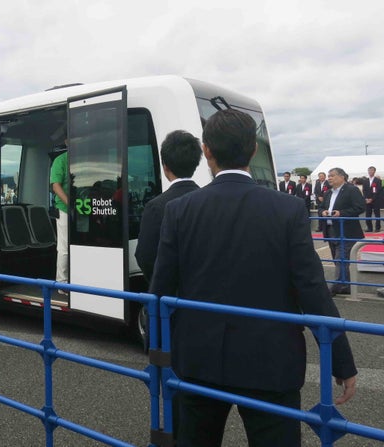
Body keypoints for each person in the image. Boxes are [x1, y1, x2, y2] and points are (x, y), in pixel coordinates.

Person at [150, 109, 357, 447]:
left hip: (198, 360)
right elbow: (313, 290)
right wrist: (341, 360)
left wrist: (157, 355)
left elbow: (160, 291)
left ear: (207, 151)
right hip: (270, 363)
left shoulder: (180, 210)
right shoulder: (288, 208)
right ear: (253, 151)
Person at [135, 130, 201, 282]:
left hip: (170, 296)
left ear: (165, 166)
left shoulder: (155, 207)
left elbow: (144, 256)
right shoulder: (209, 201)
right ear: (195, 163)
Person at [319, 167, 366, 296]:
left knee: (341, 259)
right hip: (330, 230)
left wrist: (341, 213)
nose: (329, 178)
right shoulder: (328, 193)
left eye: (332, 175)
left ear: (342, 177)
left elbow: (360, 207)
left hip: (347, 230)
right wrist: (322, 212)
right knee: (337, 259)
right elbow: (321, 207)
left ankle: (336, 287)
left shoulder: (352, 190)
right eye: (328, 176)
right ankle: (345, 285)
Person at [50, 149, 69, 294]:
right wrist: (71, 204)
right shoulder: (61, 160)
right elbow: (56, 186)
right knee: (64, 247)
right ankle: (61, 283)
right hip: (64, 209)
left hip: (82, 210)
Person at [363, 166, 382, 232]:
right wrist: (366, 198)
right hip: (367, 200)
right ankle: (369, 228)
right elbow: (364, 190)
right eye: (369, 170)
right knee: (368, 214)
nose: (370, 172)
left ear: (374, 171)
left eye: (372, 170)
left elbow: (378, 191)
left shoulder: (378, 180)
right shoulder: (365, 181)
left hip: (376, 200)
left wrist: (372, 199)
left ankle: (377, 228)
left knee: (377, 214)